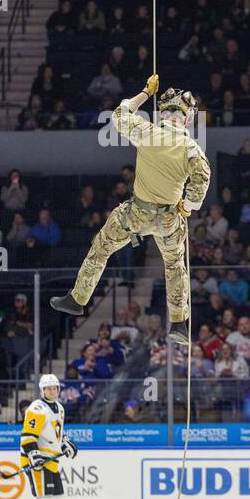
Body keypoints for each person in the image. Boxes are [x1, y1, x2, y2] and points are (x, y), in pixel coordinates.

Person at [51, 77, 210, 345]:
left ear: (165, 113)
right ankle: (179, 324)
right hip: (170, 218)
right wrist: (189, 205)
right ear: (185, 120)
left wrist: (146, 93)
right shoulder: (191, 148)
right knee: (174, 266)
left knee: (101, 248)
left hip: (136, 214)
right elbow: (202, 180)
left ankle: (77, 299)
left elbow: (119, 115)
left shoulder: (147, 132)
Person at [20, 373, 78, 499]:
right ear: (42, 390)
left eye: (54, 388)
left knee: (58, 497)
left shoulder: (60, 408)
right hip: (38, 461)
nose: (52, 391)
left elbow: (57, 434)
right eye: (48, 388)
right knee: (43, 498)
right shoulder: (37, 408)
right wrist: (34, 454)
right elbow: (28, 435)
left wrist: (65, 444)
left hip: (51, 461)